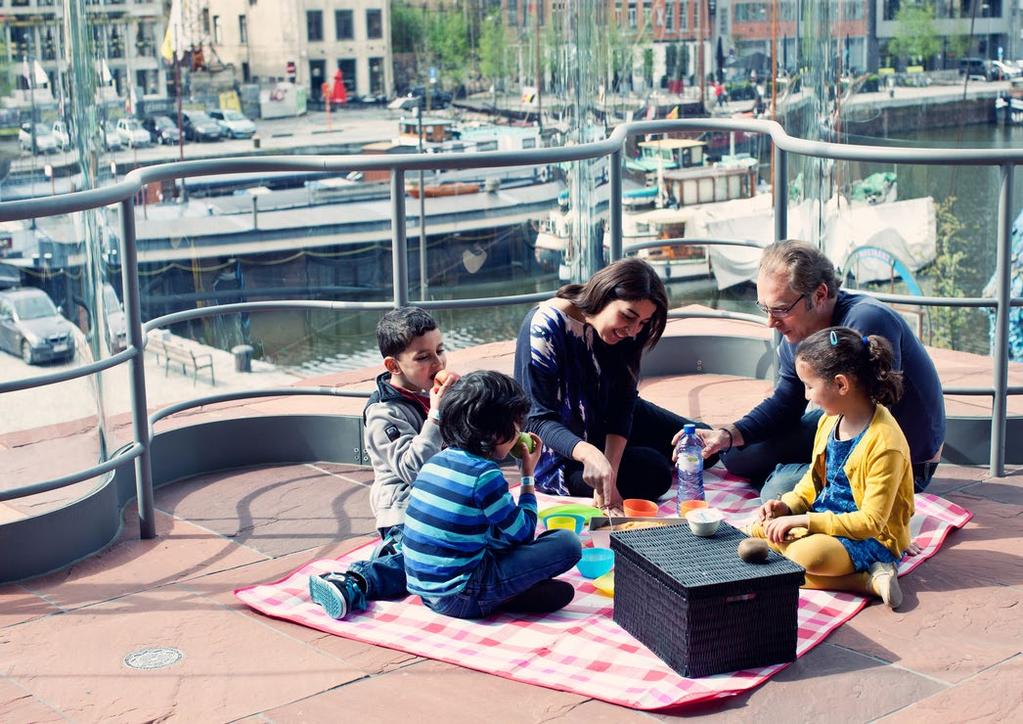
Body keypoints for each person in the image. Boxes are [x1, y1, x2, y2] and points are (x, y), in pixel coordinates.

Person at [694, 240, 944, 501]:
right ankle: (786, 472)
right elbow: (786, 403)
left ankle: (784, 475)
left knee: (778, 489)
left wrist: (809, 473)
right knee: (736, 456)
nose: (770, 321)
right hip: (842, 423)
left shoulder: (866, 320)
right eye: (765, 308)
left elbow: (874, 420)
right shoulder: (799, 329)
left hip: (896, 458)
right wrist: (726, 435)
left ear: (820, 294)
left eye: (780, 308)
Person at [514, 258, 716, 512]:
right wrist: (590, 455)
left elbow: (623, 404)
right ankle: (631, 458)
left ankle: (626, 457)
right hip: (559, 452)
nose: (632, 331)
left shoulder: (630, 334)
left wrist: (611, 467)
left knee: (702, 442)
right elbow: (537, 420)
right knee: (654, 473)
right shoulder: (546, 324)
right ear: (604, 295)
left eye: (642, 323)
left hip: (602, 419)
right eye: (628, 316)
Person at [747, 327, 915, 609]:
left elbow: (871, 522)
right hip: (827, 521)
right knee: (755, 530)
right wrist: (787, 507)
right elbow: (813, 482)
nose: (806, 395)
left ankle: (866, 580)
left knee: (806, 556)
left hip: (871, 540)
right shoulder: (829, 421)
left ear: (840, 384)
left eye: (810, 386)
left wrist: (804, 522)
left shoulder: (885, 442)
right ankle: (784, 553)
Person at [309, 306, 456, 620]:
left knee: (463, 551)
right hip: (404, 509)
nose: (438, 363)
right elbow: (412, 469)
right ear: (393, 365)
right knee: (428, 564)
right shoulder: (383, 414)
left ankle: (395, 556)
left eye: (440, 351)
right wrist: (438, 415)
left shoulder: (431, 395)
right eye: (423, 357)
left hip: (440, 504)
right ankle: (355, 580)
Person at [403, 371, 583, 619]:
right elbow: (523, 533)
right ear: (499, 432)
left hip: (427, 594)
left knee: (493, 532)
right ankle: (501, 596)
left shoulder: (434, 461)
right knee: (567, 543)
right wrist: (528, 474)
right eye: (518, 424)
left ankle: (507, 594)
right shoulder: (484, 474)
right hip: (462, 595)